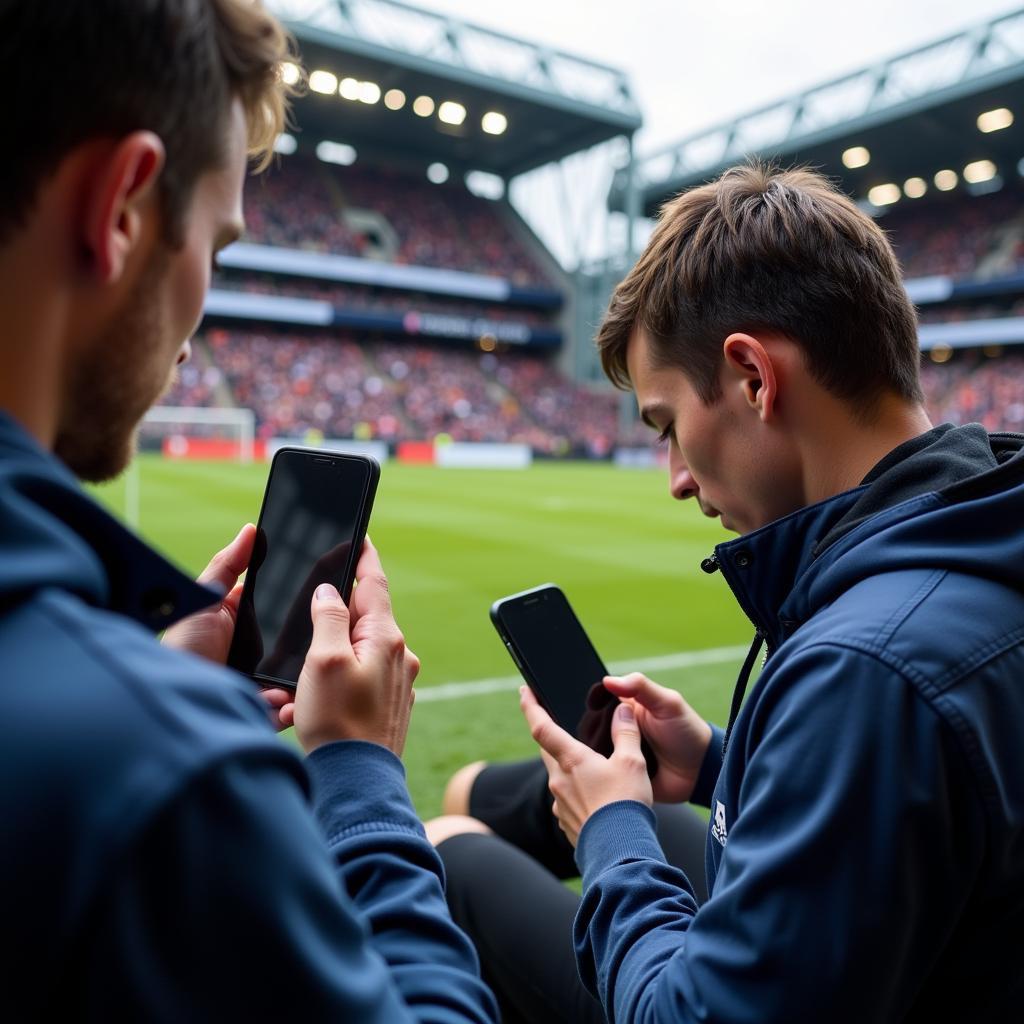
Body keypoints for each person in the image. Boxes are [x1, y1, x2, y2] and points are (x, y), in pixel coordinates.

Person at [427, 163, 1024, 1022]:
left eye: (668, 426)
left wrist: (614, 831)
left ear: (753, 376)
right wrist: (717, 759)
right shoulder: (978, 537)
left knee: (454, 854)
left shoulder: (868, 670)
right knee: (500, 812)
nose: (674, 477)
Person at [0, 2, 497, 1020]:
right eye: (218, 250)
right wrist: (358, 776)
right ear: (123, 208)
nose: (196, 329)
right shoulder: (153, 776)